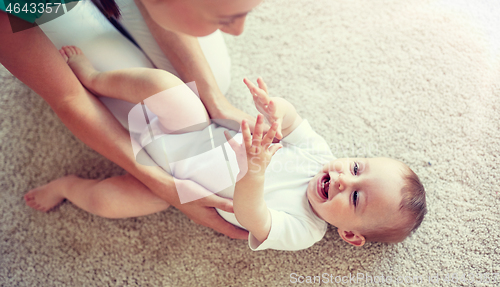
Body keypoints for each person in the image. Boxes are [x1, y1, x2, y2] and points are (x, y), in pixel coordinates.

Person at [25, 46, 427, 250]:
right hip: (194, 137)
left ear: (350, 234)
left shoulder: (306, 229)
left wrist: (253, 171)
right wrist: (274, 111)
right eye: (356, 167)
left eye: (356, 197)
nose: (341, 179)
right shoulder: (318, 156)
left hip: (178, 191)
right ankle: (95, 78)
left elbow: (254, 216)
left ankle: (68, 186)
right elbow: (291, 122)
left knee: (113, 202)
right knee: (169, 89)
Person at [0, 0, 264, 239]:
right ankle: (68, 187)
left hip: (183, 138)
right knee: (159, 99)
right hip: (32, 8)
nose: (238, 31)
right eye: (227, 20)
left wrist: (217, 102)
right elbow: (68, 98)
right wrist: (163, 186)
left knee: (211, 82)